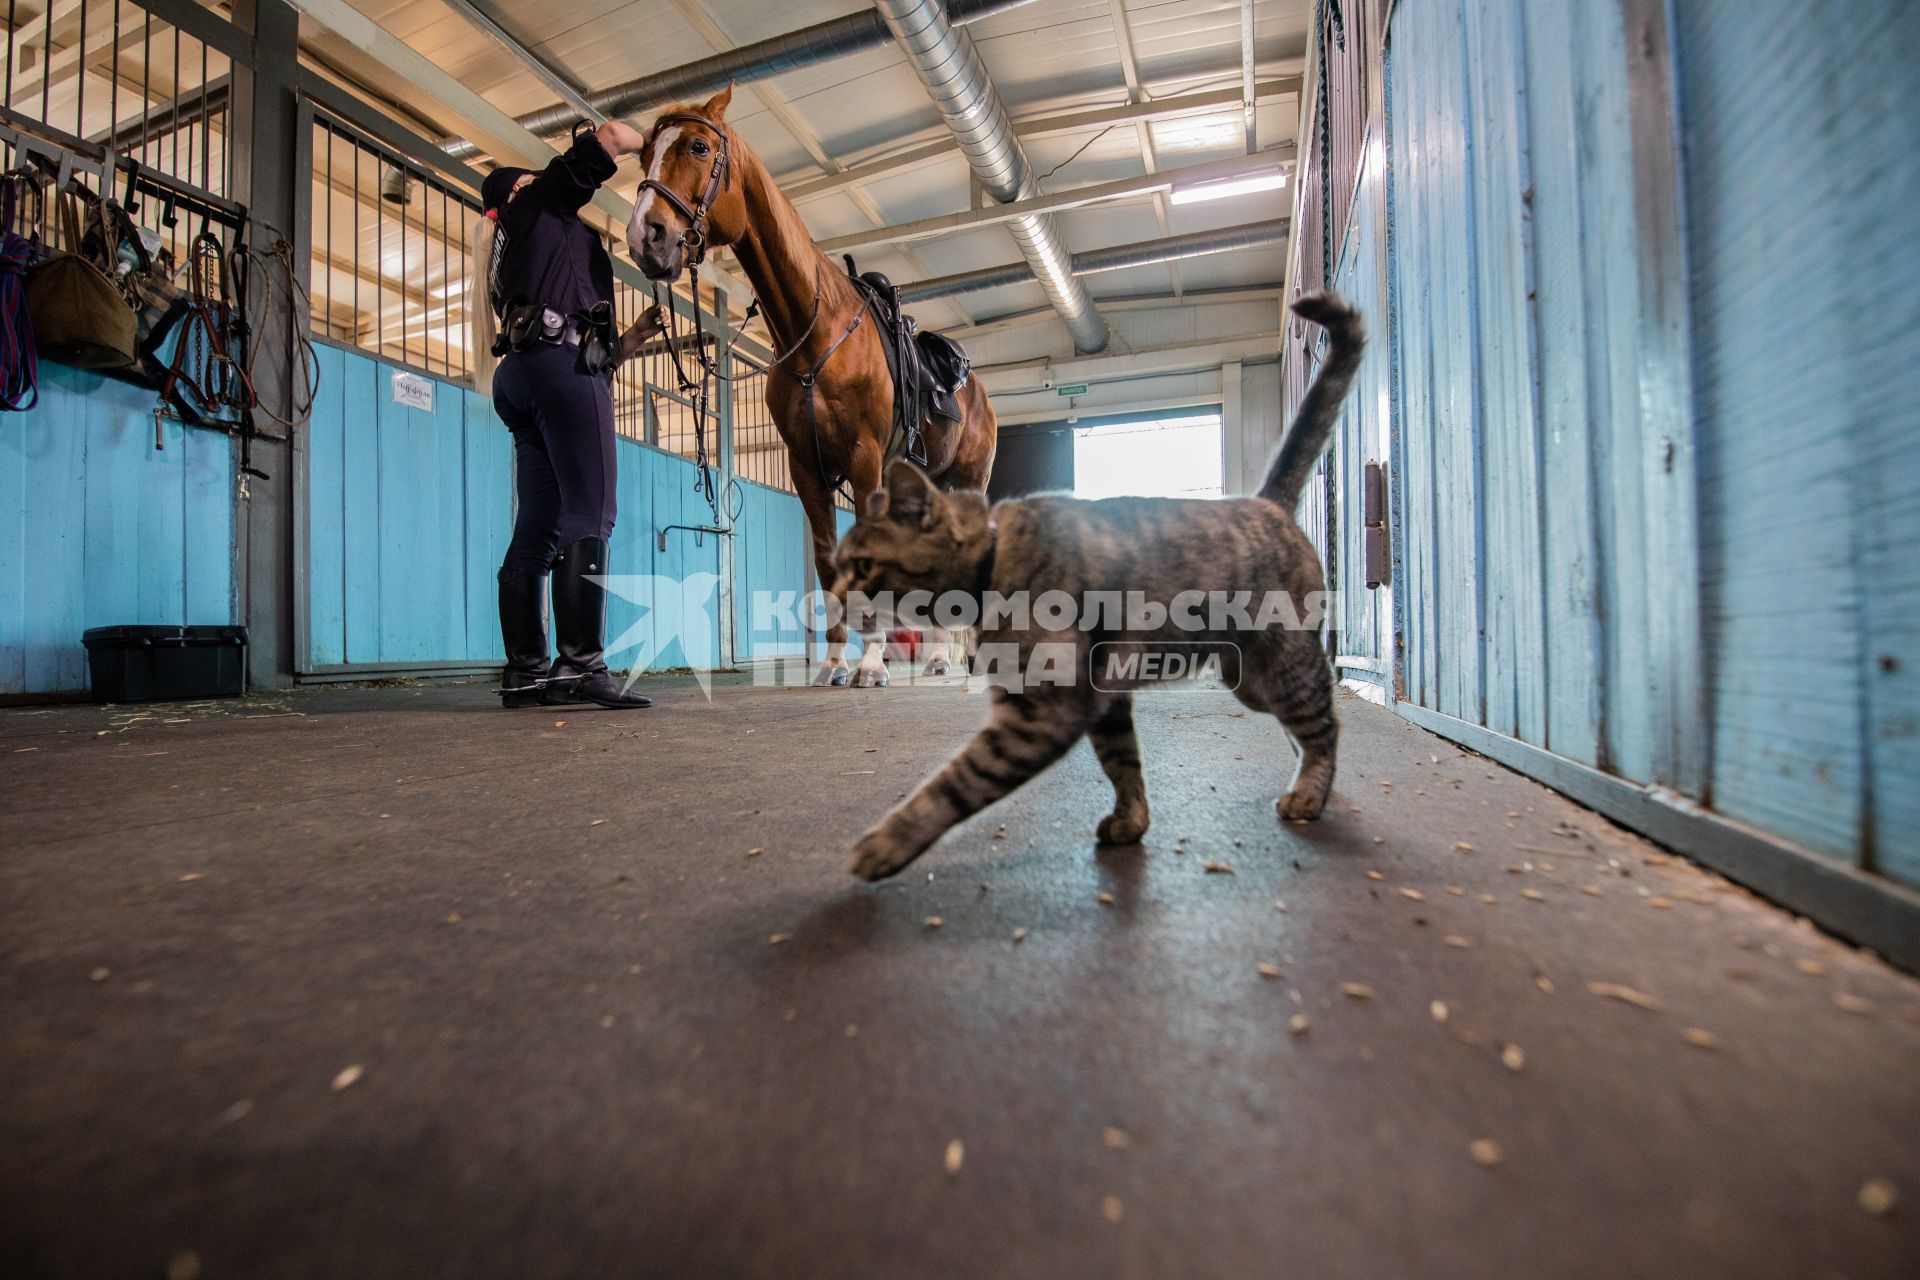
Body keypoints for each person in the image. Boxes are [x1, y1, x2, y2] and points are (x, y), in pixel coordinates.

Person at [484, 118, 663, 710]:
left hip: (521, 375)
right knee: (594, 512)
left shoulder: (512, 255)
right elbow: (609, 137)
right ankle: (581, 664)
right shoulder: (536, 207)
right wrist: (654, 140)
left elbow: (590, 344)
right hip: (561, 373)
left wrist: (631, 339)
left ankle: (525, 671)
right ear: (517, 191)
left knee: (539, 525)